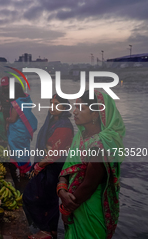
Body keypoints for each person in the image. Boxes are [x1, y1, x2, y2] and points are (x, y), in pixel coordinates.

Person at [57, 90, 125, 239]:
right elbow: (67, 170)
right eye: (75, 107)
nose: (75, 112)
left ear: (96, 114)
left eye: (81, 108)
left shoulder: (100, 145)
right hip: (73, 201)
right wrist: (61, 190)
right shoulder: (80, 138)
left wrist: (66, 208)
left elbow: (89, 185)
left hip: (89, 208)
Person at [23, 94, 74, 239]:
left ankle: (45, 230)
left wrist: (39, 166)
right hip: (47, 165)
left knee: (32, 197)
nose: (53, 107)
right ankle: (51, 232)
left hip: (52, 168)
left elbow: (55, 152)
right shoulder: (52, 121)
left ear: (64, 107)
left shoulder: (64, 126)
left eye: (57, 104)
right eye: (51, 103)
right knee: (48, 200)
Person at [6, 82, 37, 176]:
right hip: (25, 130)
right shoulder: (26, 99)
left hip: (18, 131)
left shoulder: (17, 103)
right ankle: (24, 172)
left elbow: (13, 119)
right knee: (23, 150)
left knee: (17, 150)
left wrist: (7, 119)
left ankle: (21, 173)